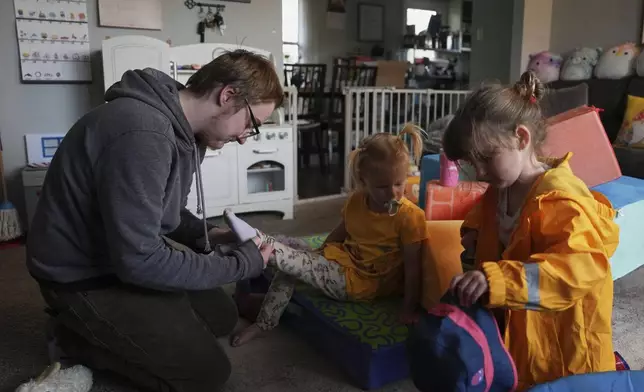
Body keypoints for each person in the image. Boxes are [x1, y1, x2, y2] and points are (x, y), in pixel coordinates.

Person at [25, 50, 282, 392]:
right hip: (82, 276)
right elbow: (140, 260)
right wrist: (241, 265)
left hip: (117, 257)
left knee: (220, 315)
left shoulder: (188, 133)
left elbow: (163, 214)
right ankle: (74, 341)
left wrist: (212, 234)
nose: (242, 136)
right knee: (206, 375)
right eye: (250, 124)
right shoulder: (141, 133)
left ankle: (115, 328)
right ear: (228, 95)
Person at [443, 71, 620, 390]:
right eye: (472, 163)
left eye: (485, 158)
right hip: (521, 324)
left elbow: (574, 270)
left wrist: (495, 279)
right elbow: (487, 215)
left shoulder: (561, 199)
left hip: (564, 339)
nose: (480, 172)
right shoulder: (502, 186)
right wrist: (473, 233)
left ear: (521, 139)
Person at [225, 124, 430, 346]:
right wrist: (316, 255)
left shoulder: (410, 217)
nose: (393, 193)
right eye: (382, 186)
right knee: (293, 254)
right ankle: (263, 319)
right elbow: (340, 232)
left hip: (362, 282)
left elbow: (413, 268)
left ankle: (255, 243)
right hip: (341, 259)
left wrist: (409, 308)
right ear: (364, 180)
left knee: (290, 259)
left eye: (399, 184)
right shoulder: (356, 201)